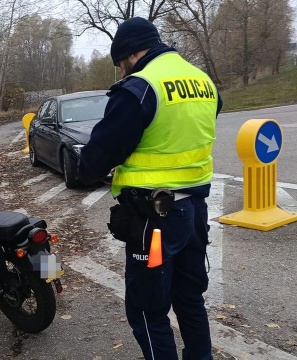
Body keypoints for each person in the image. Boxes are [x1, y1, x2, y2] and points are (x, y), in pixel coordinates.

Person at [77, 17, 223, 360]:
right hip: (195, 212)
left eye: (120, 64)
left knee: (147, 308)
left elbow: (97, 157)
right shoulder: (204, 82)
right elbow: (177, 134)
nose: (122, 71)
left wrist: (92, 170)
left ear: (129, 54)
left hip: (155, 219)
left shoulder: (140, 87)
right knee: (189, 299)